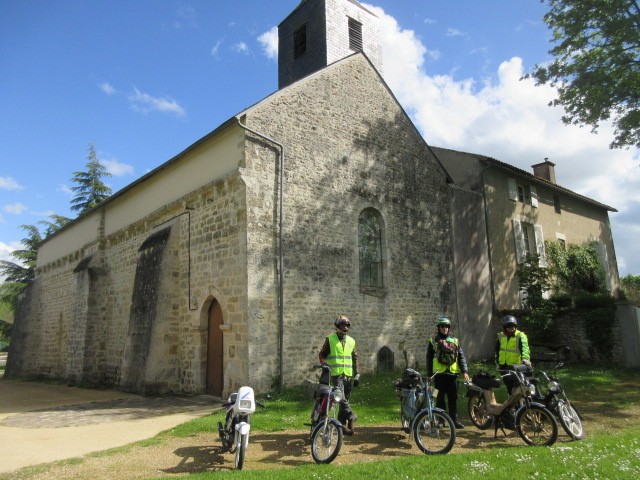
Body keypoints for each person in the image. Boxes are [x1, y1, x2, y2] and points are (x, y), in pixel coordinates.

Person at [318, 315, 360, 435]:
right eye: (343, 325)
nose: (345, 328)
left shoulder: (351, 341)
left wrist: (357, 374)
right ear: (337, 326)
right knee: (340, 397)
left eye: (347, 325)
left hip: (348, 375)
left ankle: (341, 427)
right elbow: (322, 354)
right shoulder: (330, 339)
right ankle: (351, 416)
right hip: (335, 374)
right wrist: (324, 364)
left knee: (345, 399)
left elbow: (355, 358)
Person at [426, 317, 470, 429]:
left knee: (453, 398)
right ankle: (441, 421)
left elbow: (461, 357)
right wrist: (429, 374)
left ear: (449, 328)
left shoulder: (455, 341)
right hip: (438, 375)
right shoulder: (433, 341)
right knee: (439, 398)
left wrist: (464, 371)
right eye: (442, 326)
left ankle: (454, 420)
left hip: (452, 375)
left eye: (447, 327)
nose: (445, 328)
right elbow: (429, 358)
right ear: (438, 328)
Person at [495, 314, 531, 393]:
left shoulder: (520, 335)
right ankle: (512, 402)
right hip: (503, 366)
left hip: (515, 366)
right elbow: (497, 350)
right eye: (509, 327)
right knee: (509, 386)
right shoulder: (500, 336)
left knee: (519, 385)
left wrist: (525, 358)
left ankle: (520, 403)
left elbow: (525, 348)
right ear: (505, 327)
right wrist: (497, 362)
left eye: (513, 327)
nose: (511, 329)